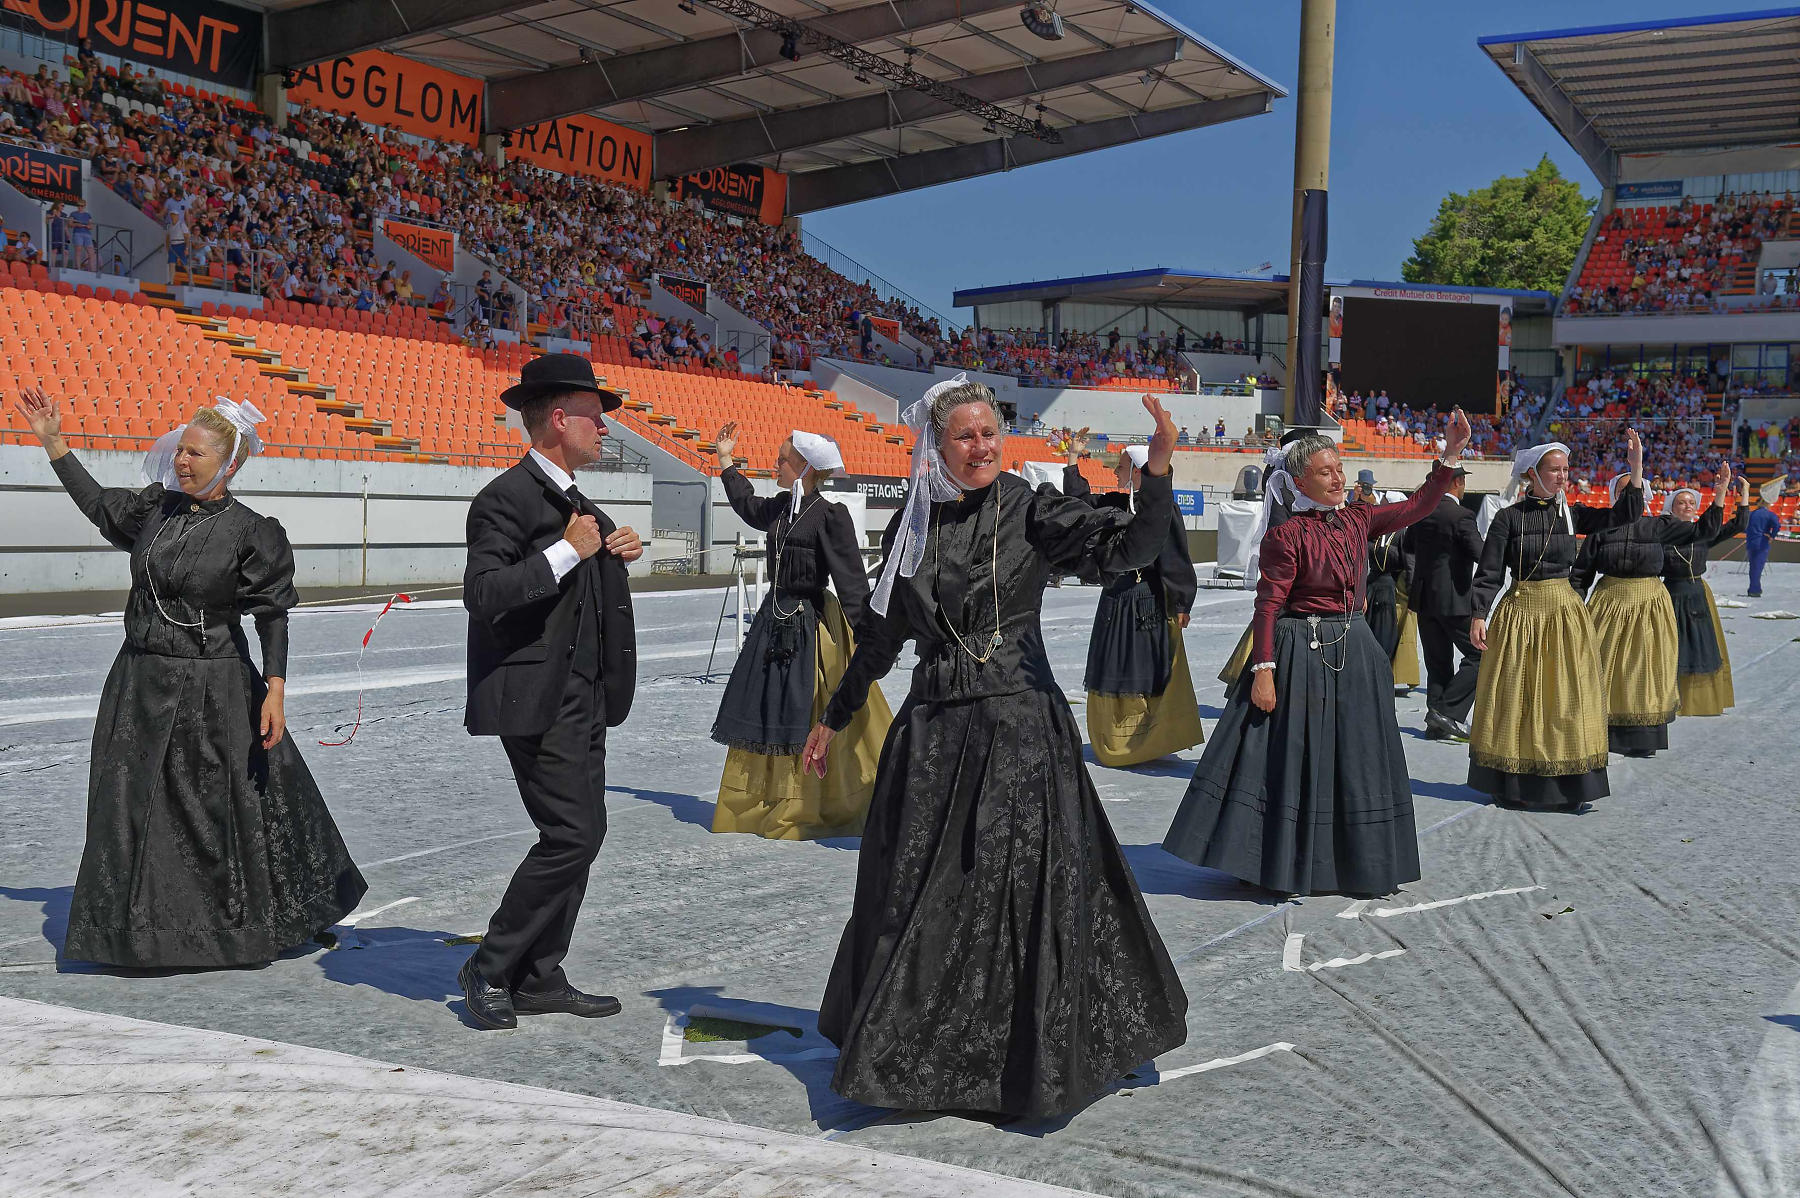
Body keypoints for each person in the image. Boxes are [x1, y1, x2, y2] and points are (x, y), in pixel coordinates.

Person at [798, 378, 1187, 1119]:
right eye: (965, 437)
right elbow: (882, 638)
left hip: (1020, 730)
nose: (981, 448)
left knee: (1022, 894)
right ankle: (927, 1057)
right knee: (925, 897)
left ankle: (1024, 1060)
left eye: (989, 434)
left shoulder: (1032, 507)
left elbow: (1129, 547)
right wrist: (836, 714)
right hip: (936, 737)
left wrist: (1160, 471)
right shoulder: (911, 527)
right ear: (935, 446)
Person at [11, 386, 365, 967]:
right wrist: (55, 444)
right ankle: (132, 932)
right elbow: (100, 505)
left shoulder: (253, 531)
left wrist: (275, 688)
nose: (182, 460)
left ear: (228, 465)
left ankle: (211, 930)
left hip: (212, 685)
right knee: (126, 805)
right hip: (139, 682)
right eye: (181, 449)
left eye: (196, 454)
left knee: (208, 812)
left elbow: (272, 616)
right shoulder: (154, 509)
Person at [1162, 412, 1473, 898]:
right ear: (1301, 480)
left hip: (1356, 652)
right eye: (1326, 473)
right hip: (1299, 653)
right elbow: (1267, 605)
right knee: (1296, 757)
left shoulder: (1359, 519)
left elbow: (1418, 505)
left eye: (1340, 470)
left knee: (1356, 756)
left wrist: (1449, 457)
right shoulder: (1285, 537)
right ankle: (1285, 859)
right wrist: (1263, 671)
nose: (1338, 479)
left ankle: (1354, 860)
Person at [460, 354, 644, 1030]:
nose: (604, 429)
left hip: (585, 696)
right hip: (537, 697)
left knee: (582, 835)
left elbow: (582, 591)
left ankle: (539, 973)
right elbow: (483, 596)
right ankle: (490, 964)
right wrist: (567, 552)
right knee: (573, 834)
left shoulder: (579, 503)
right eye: (594, 416)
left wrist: (613, 552)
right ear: (559, 419)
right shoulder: (503, 499)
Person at [709, 425, 891, 839]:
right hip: (774, 621)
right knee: (767, 707)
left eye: (781, 460)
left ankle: (804, 801)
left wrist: (867, 635)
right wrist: (725, 461)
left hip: (810, 625)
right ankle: (768, 800)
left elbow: (850, 581)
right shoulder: (778, 508)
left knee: (805, 707)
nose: (775, 466)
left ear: (804, 467)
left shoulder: (830, 515)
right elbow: (745, 504)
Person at [1466, 437, 1643, 810]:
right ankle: (1516, 784)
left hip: (1564, 614)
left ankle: (1568, 785)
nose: (1562, 476)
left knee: (1565, 698)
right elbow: (1490, 572)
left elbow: (1623, 515)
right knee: (1519, 696)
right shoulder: (1507, 518)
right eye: (1554, 470)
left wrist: (1637, 468)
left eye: (1565, 469)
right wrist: (1479, 613)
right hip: (1521, 613)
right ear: (1533, 473)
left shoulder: (1572, 513)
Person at [1062, 436, 1203, 767]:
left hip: (1148, 602)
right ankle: (1115, 740)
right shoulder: (1113, 503)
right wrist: (1072, 461)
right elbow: (1079, 507)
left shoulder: (1162, 508)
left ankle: (1147, 740)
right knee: (1114, 665)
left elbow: (1176, 557)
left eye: (1122, 467)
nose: (1114, 473)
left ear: (1139, 472)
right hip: (1114, 599)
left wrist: (1182, 602)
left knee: (1142, 668)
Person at [1573, 469, 1729, 757]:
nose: (1627, 496)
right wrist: (1572, 609)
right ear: (1614, 496)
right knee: (1605, 668)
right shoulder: (1601, 531)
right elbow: (1581, 574)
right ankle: (1603, 730)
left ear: (1643, 495)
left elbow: (1702, 531)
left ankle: (1641, 738)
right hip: (1608, 604)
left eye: (1632, 490)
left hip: (1649, 605)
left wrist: (1719, 494)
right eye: (1622, 491)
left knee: (1645, 670)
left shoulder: (1659, 527)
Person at [1403, 465, 1484, 738]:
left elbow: (1408, 546)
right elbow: (1480, 553)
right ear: (1458, 482)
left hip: (1425, 598)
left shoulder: (1421, 512)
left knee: (1437, 661)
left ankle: (1435, 723)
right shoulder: (1462, 515)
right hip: (1455, 599)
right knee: (1481, 655)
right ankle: (1447, 713)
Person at [1663, 478, 1748, 718]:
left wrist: (1745, 495)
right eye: (1682, 502)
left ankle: (1699, 701)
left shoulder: (1704, 534)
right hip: (1671, 595)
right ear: (1672, 506)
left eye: (1691, 502)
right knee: (1674, 649)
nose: (1688, 506)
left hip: (1698, 595)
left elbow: (1738, 524)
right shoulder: (1661, 534)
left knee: (1701, 647)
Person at [1745, 490, 1779, 597]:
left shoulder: (1752, 514)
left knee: (1753, 566)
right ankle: (1754, 589)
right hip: (1762, 542)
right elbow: (1777, 525)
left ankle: (1753, 587)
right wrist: (1772, 536)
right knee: (1758, 566)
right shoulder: (1769, 515)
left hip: (1751, 542)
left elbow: (1745, 527)